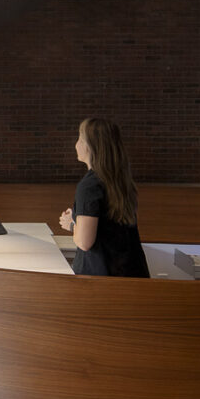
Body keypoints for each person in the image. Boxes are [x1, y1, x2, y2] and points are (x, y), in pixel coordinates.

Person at [58, 117, 150, 278]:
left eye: (80, 139)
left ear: (90, 147)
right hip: (133, 273)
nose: (76, 145)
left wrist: (72, 224)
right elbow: (109, 228)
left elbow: (85, 242)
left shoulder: (89, 186)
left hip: (103, 279)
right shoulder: (120, 180)